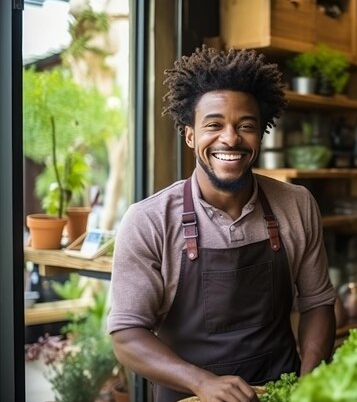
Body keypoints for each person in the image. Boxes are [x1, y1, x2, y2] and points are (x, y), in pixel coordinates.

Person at [107, 46, 336, 402]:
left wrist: (310, 383)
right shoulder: (149, 220)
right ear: (190, 135)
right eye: (214, 125)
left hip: (279, 392)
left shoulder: (297, 204)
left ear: (260, 135)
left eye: (245, 126)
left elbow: (318, 303)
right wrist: (202, 383)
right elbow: (126, 334)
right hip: (188, 397)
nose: (230, 138)